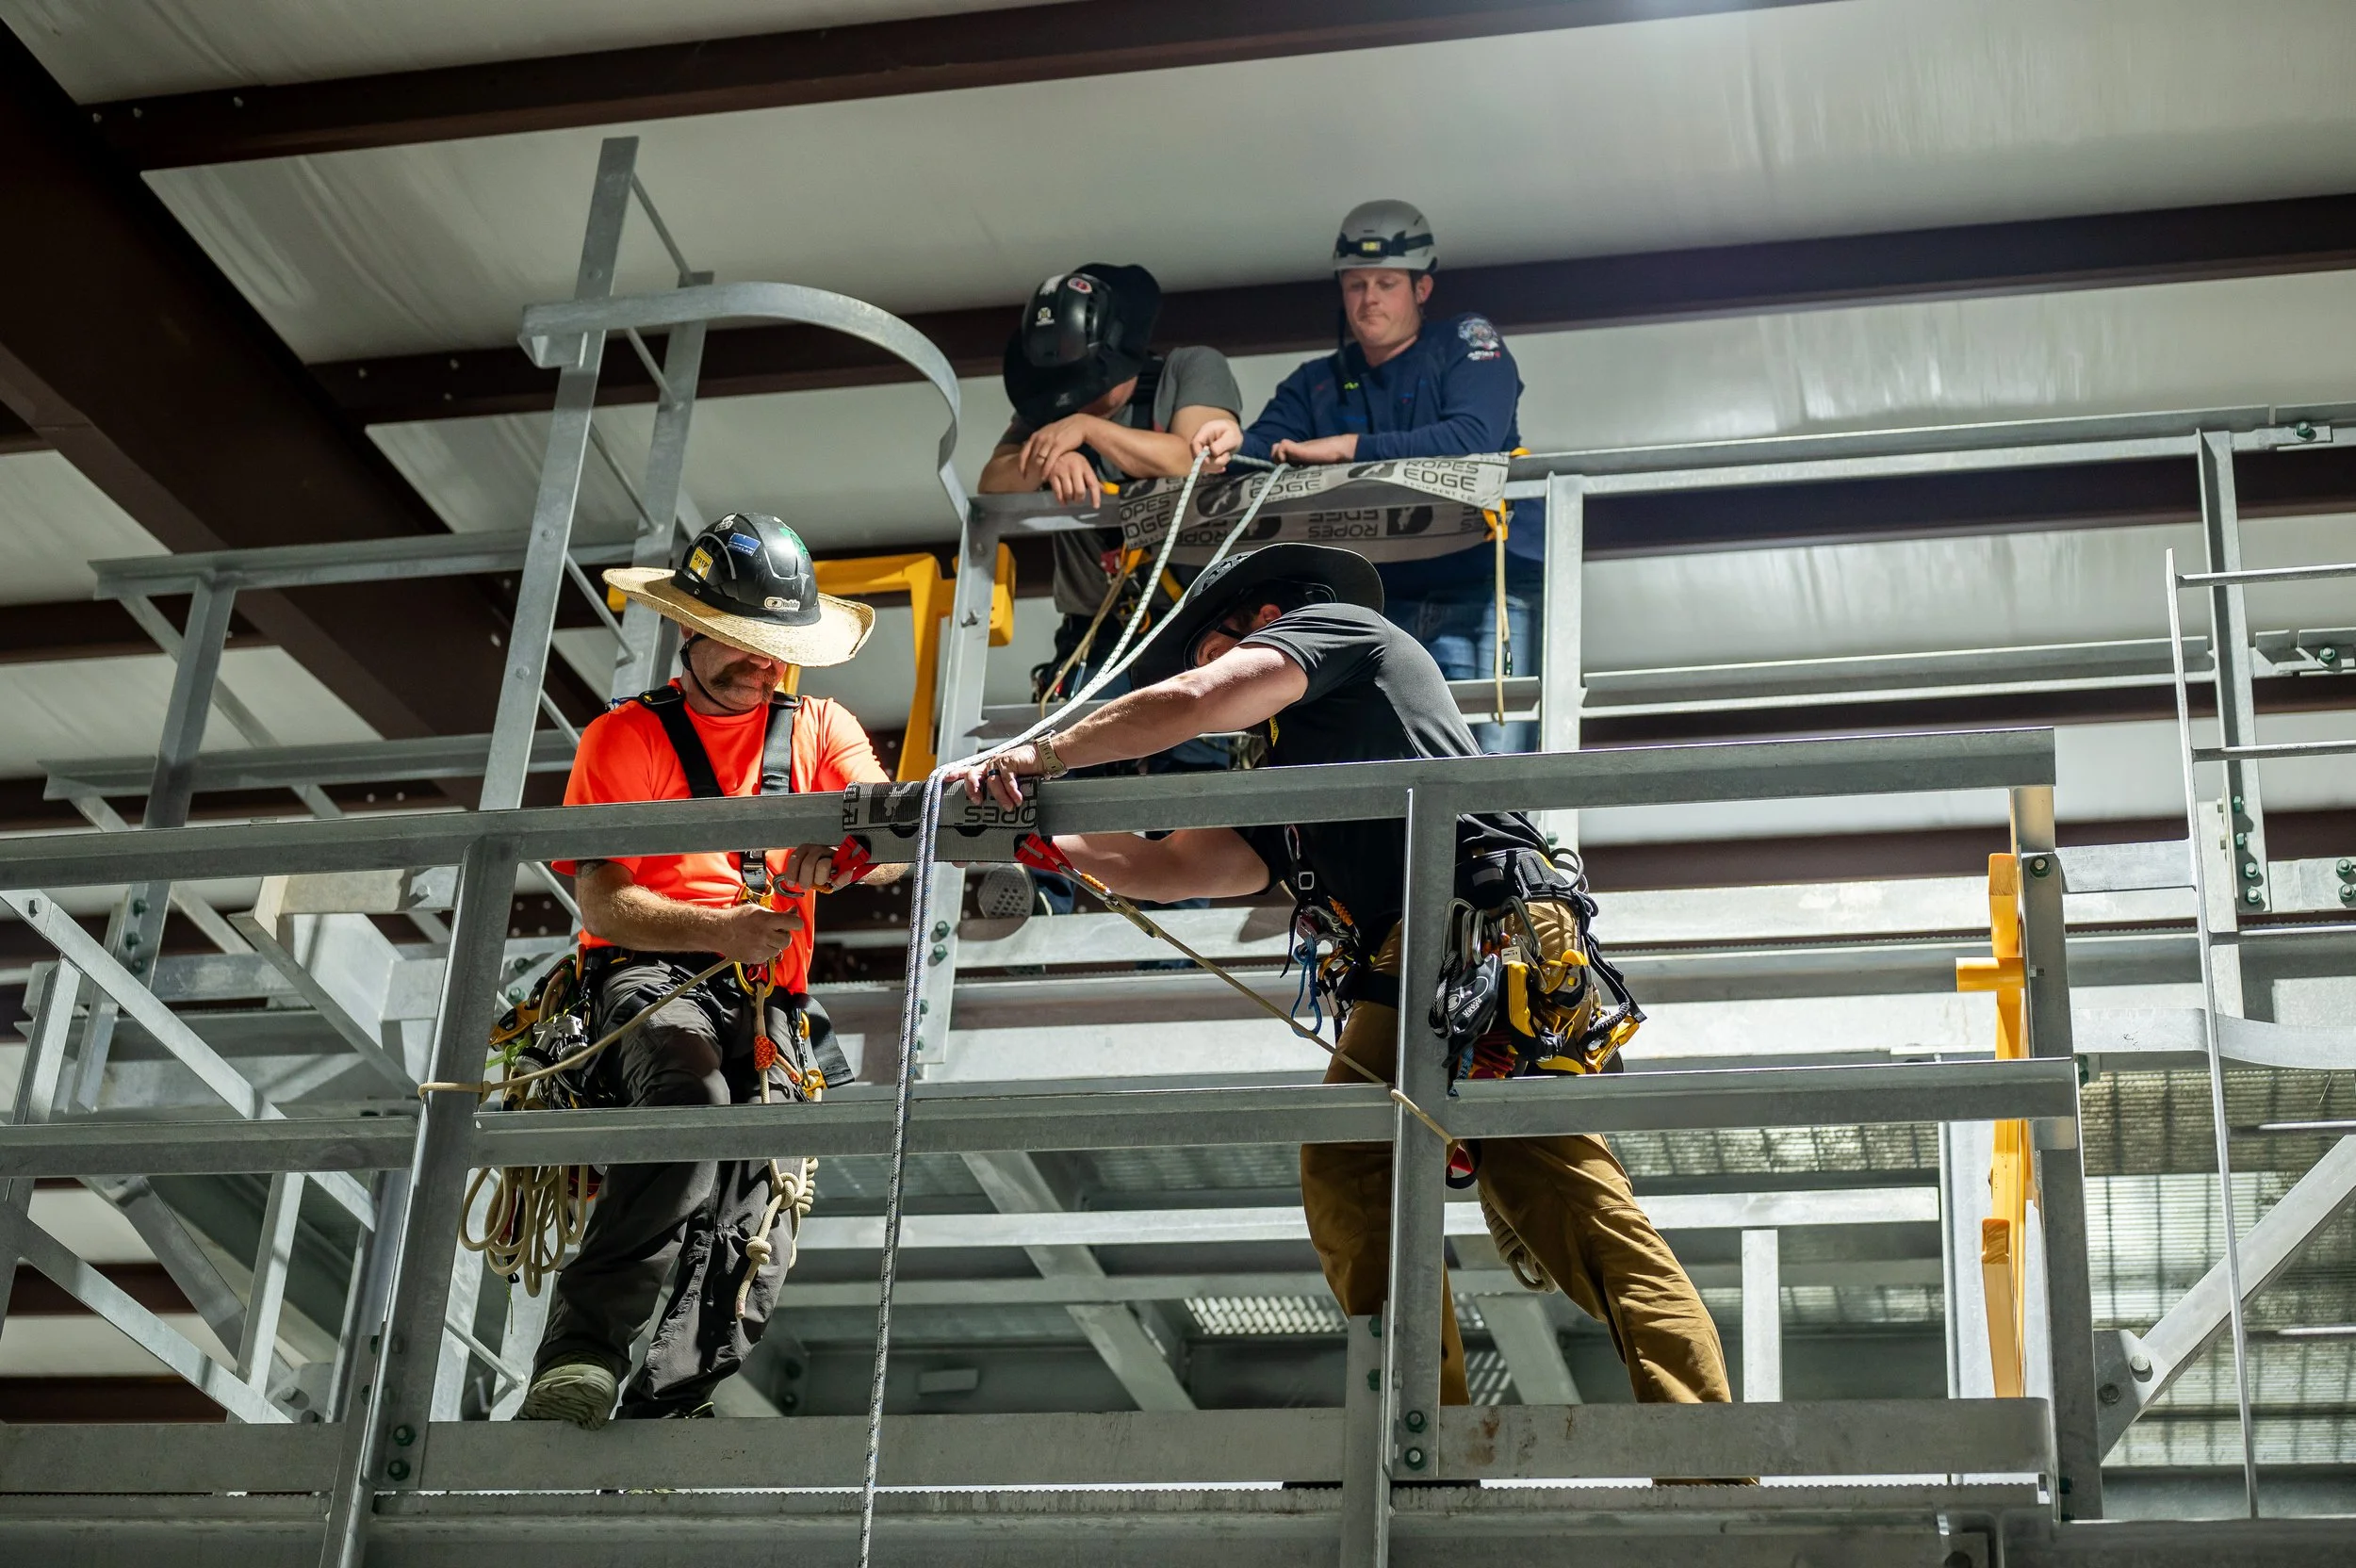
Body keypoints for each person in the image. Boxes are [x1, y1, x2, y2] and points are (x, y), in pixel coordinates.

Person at [949, 545, 1729, 1409]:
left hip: (1474, 934)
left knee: (1472, 1178)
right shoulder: (1283, 765)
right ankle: (1419, 1435)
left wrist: (1037, 759)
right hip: (1427, 961)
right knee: (1435, 1175)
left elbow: (1195, 702)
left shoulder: (1342, 632)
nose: (1220, 679)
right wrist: (1041, 843)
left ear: (1266, 620)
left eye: (1216, 649)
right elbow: (1188, 867)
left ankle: (1633, 1441)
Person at [516, 513, 902, 1427]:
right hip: (650, 977)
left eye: (776, 649)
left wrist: (845, 858)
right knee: (691, 1108)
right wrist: (716, 930)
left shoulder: (820, 724)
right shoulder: (623, 738)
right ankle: (579, 1353)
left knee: (756, 1233)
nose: (761, 665)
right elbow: (604, 904)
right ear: (688, 628)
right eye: (740, 643)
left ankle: (663, 1409)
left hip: (773, 1004)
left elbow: (887, 831)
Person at [1194, 202, 1542, 753]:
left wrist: (1348, 450)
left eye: (1386, 283)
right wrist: (1231, 438)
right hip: (1378, 600)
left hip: (1482, 583)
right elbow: (1263, 448)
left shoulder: (1466, 342)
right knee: (1393, 758)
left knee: (1490, 757)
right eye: (1356, 284)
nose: (1369, 298)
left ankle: (1503, 845)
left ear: (1421, 289)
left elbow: (1473, 439)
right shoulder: (1318, 382)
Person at [978, 263, 1243, 716]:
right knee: (1073, 759)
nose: (1076, 395)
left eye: (1086, 381)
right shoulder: (1048, 404)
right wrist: (1052, 453)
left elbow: (1189, 459)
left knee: (1190, 766)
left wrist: (1087, 431)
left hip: (1198, 625)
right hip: (1095, 633)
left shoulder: (1187, 369)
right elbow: (993, 482)